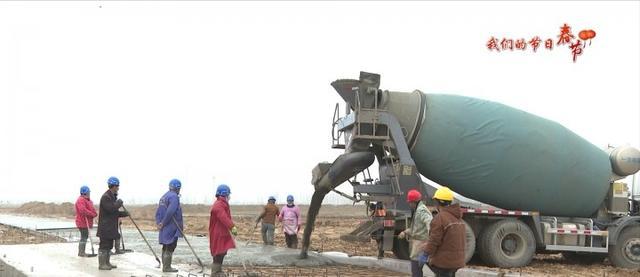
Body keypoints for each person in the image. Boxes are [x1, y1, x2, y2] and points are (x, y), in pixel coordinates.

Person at [422, 187, 465, 277]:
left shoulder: (440, 218)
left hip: (444, 262)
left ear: (438, 202)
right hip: (457, 261)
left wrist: (425, 254)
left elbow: (434, 241)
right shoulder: (458, 218)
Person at [96, 176, 129, 270]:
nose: (118, 188)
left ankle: (107, 262)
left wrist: (124, 214)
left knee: (109, 246)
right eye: (117, 186)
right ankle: (102, 264)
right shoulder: (106, 197)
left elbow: (114, 212)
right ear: (112, 186)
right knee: (104, 245)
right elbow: (110, 209)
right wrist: (118, 203)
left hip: (110, 227)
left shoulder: (112, 197)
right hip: (105, 227)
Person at [398, 189, 433, 277]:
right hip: (419, 245)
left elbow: (430, 224)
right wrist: (405, 232)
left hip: (421, 245)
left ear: (413, 202)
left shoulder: (421, 211)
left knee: (416, 270)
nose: (409, 204)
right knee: (418, 269)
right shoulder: (418, 210)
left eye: (410, 202)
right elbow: (416, 228)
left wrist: (430, 240)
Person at [155, 178, 183, 272]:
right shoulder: (174, 197)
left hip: (164, 226)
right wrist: (163, 222)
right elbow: (171, 211)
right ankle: (167, 267)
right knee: (170, 245)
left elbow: (158, 212)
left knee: (165, 246)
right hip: (171, 226)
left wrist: (159, 223)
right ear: (178, 188)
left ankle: (165, 266)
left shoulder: (164, 196)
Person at [209, 184, 238, 277]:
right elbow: (223, 217)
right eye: (228, 194)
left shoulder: (222, 203)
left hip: (222, 232)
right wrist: (232, 226)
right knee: (218, 252)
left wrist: (230, 227)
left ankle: (218, 271)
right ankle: (215, 273)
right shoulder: (218, 205)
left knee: (222, 252)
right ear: (224, 194)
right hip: (218, 233)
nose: (229, 196)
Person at [75, 185, 97, 257]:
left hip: (87, 222)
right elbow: (82, 210)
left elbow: (92, 209)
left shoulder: (89, 201)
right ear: (84, 193)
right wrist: (91, 214)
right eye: (88, 192)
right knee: (84, 237)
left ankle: (82, 252)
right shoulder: (80, 200)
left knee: (85, 236)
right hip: (82, 222)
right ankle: (81, 252)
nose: (89, 194)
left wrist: (94, 213)